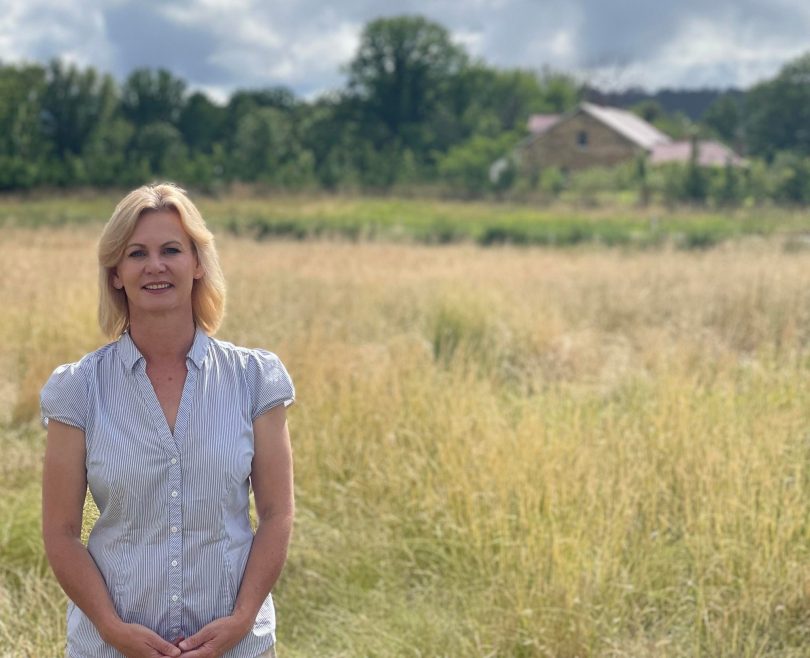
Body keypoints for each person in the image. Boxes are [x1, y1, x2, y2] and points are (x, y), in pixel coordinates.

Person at [41, 183, 295, 658]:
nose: (154, 266)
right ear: (116, 273)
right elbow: (60, 533)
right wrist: (113, 630)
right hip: (111, 647)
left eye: (171, 250)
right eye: (136, 253)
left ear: (197, 263)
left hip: (236, 646)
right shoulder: (78, 388)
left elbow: (278, 514)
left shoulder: (254, 379)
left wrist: (240, 622)